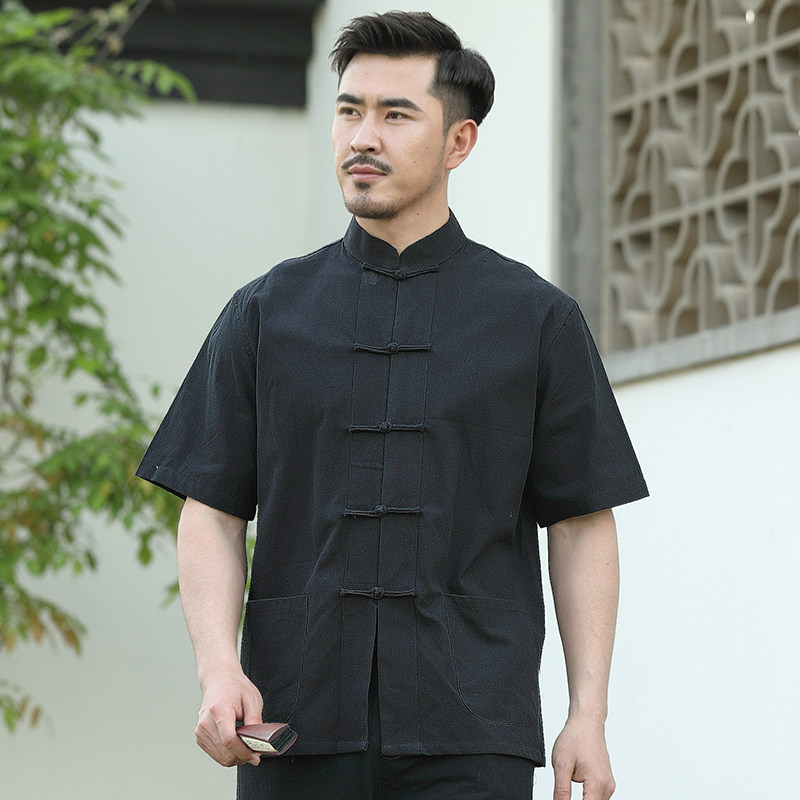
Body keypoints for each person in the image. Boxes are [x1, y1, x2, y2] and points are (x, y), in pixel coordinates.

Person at [137, 11, 648, 800]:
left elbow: (581, 524)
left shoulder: (537, 320)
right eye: (349, 110)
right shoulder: (266, 312)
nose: (362, 136)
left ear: (458, 142)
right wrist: (218, 669)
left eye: (395, 114)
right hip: (292, 721)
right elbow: (211, 510)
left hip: (471, 728)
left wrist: (589, 713)